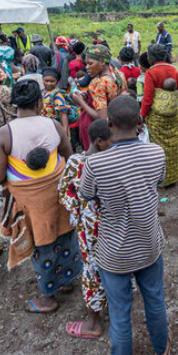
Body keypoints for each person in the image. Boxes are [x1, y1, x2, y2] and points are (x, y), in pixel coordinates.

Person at [81, 96, 169, 355]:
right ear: (141, 123)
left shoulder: (95, 163)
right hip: (148, 243)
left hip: (114, 251)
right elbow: (155, 183)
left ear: (109, 124)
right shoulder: (157, 153)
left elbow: (85, 194)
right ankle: (161, 349)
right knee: (155, 299)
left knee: (120, 314)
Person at [0, 79, 79, 301]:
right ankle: (67, 280)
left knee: (41, 241)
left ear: (14, 104)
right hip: (58, 195)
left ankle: (48, 297)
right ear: (39, 102)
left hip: (30, 201)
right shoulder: (53, 125)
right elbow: (69, 157)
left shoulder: (4, 134)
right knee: (65, 234)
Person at [60, 118, 112, 339]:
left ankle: (94, 319)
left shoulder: (75, 162)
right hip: (110, 226)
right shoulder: (110, 160)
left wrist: (81, 211)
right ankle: (94, 320)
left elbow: (65, 194)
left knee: (92, 268)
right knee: (103, 266)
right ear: (100, 141)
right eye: (113, 140)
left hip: (87, 229)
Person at [140, 43, 178, 187]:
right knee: (173, 145)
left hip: (157, 117)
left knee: (157, 147)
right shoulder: (174, 70)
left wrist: (142, 116)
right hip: (172, 115)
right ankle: (173, 176)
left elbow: (147, 99)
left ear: (151, 58)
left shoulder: (151, 73)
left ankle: (160, 179)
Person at [72, 44, 123, 151]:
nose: (87, 67)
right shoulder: (117, 75)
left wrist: (81, 102)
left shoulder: (99, 83)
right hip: (116, 125)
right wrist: (89, 95)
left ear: (102, 62)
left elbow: (102, 117)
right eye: (86, 64)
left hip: (97, 129)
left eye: (90, 63)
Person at [41, 67, 70, 133]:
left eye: (52, 81)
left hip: (54, 130)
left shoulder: (57, 95)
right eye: (46, 81)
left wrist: (65, 133)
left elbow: (63, 115)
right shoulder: (41, 92)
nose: (49, 83)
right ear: (42, 79)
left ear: (57, 81)